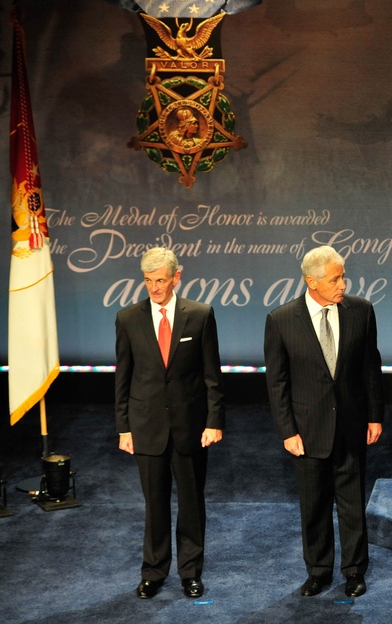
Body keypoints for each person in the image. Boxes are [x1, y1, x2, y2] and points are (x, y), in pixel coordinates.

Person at [264, 245, 385, 598]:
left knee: (352, 503)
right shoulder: (281, 319)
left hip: (352, 425)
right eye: (335, 279)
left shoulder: (361, 312)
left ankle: (354, 571)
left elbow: (370, 369)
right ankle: (318, 571)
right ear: (311, 281)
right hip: (307, 429)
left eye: (343, 277)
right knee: (313, 505)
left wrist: (375, 415)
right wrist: (287, 430)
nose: (343, 285)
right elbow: (277, 381)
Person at [115, 247, 225, 600]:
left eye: (161, 280)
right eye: (148, 281)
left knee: (192, 503)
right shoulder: (128, 318)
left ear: (177, 276)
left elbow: (212, 376)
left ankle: (190, 572)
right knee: (154, 505)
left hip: (190, 427)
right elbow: (123, 377)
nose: (155, 288)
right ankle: (153, 572)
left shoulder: (201, 315)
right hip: (146, 427)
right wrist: (124, 427)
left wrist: (213, 421)